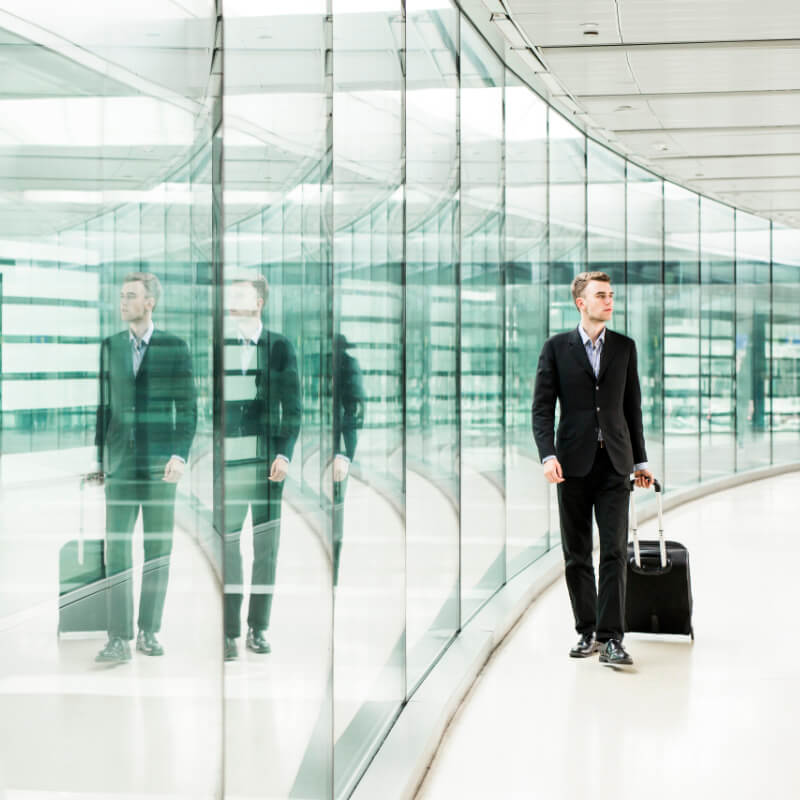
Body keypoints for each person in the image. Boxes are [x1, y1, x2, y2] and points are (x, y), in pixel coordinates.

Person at [532, 271, 653, 667]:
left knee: (615, 552)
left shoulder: (624, 348)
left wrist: (640, 461)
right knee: (577, 554)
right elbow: (542, 408)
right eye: (601, 295)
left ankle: (612, 637)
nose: (609, 301)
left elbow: (631, 407)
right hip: (571, 465)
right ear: (580, 303)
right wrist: (547, 455)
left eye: (611, 295)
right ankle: (587, 631)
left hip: (615, 465)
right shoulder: (556, 348)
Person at [94, 272, 197, 663]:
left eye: (131, 296)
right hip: (120, 464)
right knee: (117, 550)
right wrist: (98, 461)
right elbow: (103, 408)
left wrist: (179, 454)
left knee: (157, 550)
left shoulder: (175, 347)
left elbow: (188, 408)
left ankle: (148, 631)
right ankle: (118, 637)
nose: (123, 302)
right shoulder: (110, 347)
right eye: (121, 296)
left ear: (149, 302)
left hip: (159, 467)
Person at [223, 275, 301, 661]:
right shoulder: (220, 346)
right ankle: (229, 630)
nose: (233, 300)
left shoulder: (280, 347)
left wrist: (284, 454)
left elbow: (294, 407)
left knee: (265, 548)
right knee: (228, 544)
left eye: (241, 294)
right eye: (231, 294)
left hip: (270, 461)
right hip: (232, 461)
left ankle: (258, 627)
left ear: (259, 302)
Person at [331, 333, 365, 585]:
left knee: (336, 499)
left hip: (340, 441)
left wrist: (344, 453)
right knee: (334, 500)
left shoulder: (347, 366)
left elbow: (353, 408)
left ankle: (335, 555)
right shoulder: (340, 365)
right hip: (333, 441)